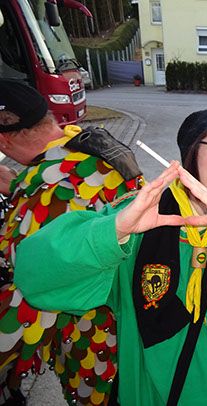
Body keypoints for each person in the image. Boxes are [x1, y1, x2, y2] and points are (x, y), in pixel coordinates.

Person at [13, 107, 207, 405]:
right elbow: (36, 278)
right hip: (147, 395)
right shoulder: (140, 216)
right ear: (191, 152)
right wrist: (115, 231)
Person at [0, 79, 144, 405]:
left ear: (4, 140)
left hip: (95, 344)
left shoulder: (52, 191)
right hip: (129, 324)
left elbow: (32, 293)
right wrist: (20, 184)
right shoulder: (87, 146)